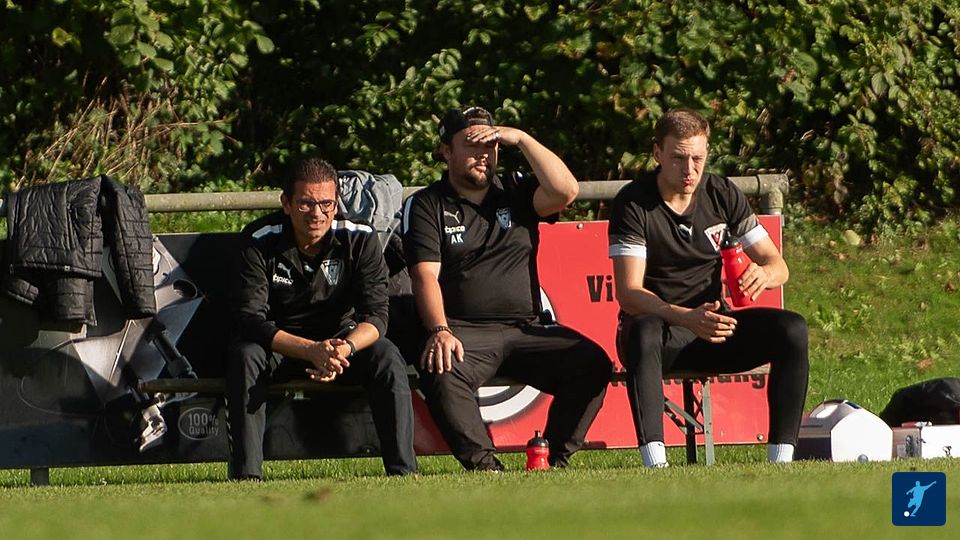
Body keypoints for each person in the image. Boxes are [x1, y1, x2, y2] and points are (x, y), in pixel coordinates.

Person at [402, 105, 612, 471]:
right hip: (464, 331)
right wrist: (439, 330)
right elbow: (425, 277)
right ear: (446, 152)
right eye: (471, 145)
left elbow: (566, 191)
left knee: (592, 363)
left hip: (527, 328)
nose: (483, 154)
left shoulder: (516, 189)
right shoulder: (426, 203)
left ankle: (553, 460)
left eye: (491, 144)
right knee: (442, 369)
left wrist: (522, 138)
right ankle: (486, 466)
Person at [608, 108, 809, 468]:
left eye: (698, 158)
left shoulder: (721, 192)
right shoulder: (633, 202)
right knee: (644, 330)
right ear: (657, 153)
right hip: (660, 336)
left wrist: (765, 273)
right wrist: (685, 317)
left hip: (713, 330)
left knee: (792, 329)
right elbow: (629, 292)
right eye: (678, 158)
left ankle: (782, 460)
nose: (689, 170)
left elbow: (779, 266)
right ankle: (655, 463)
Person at [227, 158, 418, 480]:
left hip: (340, 343)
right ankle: (247, 476)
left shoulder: (360, 237)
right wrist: (310, 350)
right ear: (286, 204)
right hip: (280, 344)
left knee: (387, 355)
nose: (317, 213)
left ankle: (404, 471)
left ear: (336, 204)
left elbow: (376, 316)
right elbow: (250, 320)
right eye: (306, 203)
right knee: (245, 355)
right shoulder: (259, 239)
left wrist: (344, 348)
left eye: (326, 204)